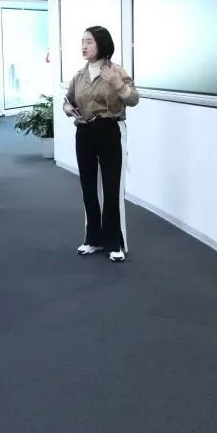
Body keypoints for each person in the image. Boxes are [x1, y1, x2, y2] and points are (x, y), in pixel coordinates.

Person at [63, 25, 139, 263]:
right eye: (82, 41)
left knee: (111, 188)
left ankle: (114, 242)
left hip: (110, 130)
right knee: (88, 187)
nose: (84, 46)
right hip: (84, 131)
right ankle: (92, 239)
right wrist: (68, 109)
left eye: (89, 41)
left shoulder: (117, 71)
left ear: (101, 44)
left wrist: (118, 85)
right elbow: (68, 100)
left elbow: (133, 99)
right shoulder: (79, 75)